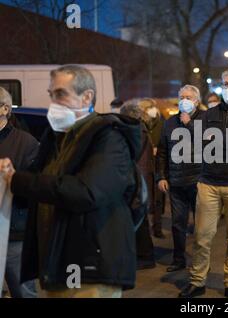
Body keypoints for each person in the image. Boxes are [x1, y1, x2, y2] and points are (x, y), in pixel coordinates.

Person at [0, 65, 141, 298]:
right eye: (51, 94)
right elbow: (37, 184)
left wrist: (17, 181)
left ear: (87, 96)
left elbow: (86, 192)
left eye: (61, 94)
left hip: (90, 267)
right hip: (58, 262)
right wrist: (9, 173)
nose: (53, 102)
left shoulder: (108, 138)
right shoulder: (56, 138)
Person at [179, 69, 228, 298]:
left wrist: (219, 140)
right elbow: (200, 142)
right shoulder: (208, 114)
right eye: (226, 84)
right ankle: (197, 280)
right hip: (208, 183)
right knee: (202, 236)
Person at [156, 85, 204, 273]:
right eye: (181, 97)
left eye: (189, 97)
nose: (184, 100)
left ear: (197, 101)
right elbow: (162, 151)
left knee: (201, 226)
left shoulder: (205, 119)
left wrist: (189, 125)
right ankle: (178, 259)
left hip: (199, 181)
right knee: (178, 223)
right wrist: (161, 176)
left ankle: (201, 262)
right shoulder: (169, 123)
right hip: (176, 182)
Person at [0, 87, 39, 298]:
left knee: (23, 293)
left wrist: (11, 178)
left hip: (14, 235)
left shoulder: (26, 143)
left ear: (4, 109)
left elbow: (33, 188)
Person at [120, 99, 156, 270]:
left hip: (138, 180)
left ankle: (145, 256)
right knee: (139, 219)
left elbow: (132, 154)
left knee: (139, 219)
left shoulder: (137, 130)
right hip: (140, 178)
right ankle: (143, 255)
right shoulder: (141, 128)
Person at [139, 98, 166, 239]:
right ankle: (148, 230)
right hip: (145, 165)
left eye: (154, 107)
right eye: (150, 107)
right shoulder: (141, 124)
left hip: (157, 164)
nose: (154, 109)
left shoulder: (161, 123)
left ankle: (158, 228)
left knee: (158, 198)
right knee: (147, 198)